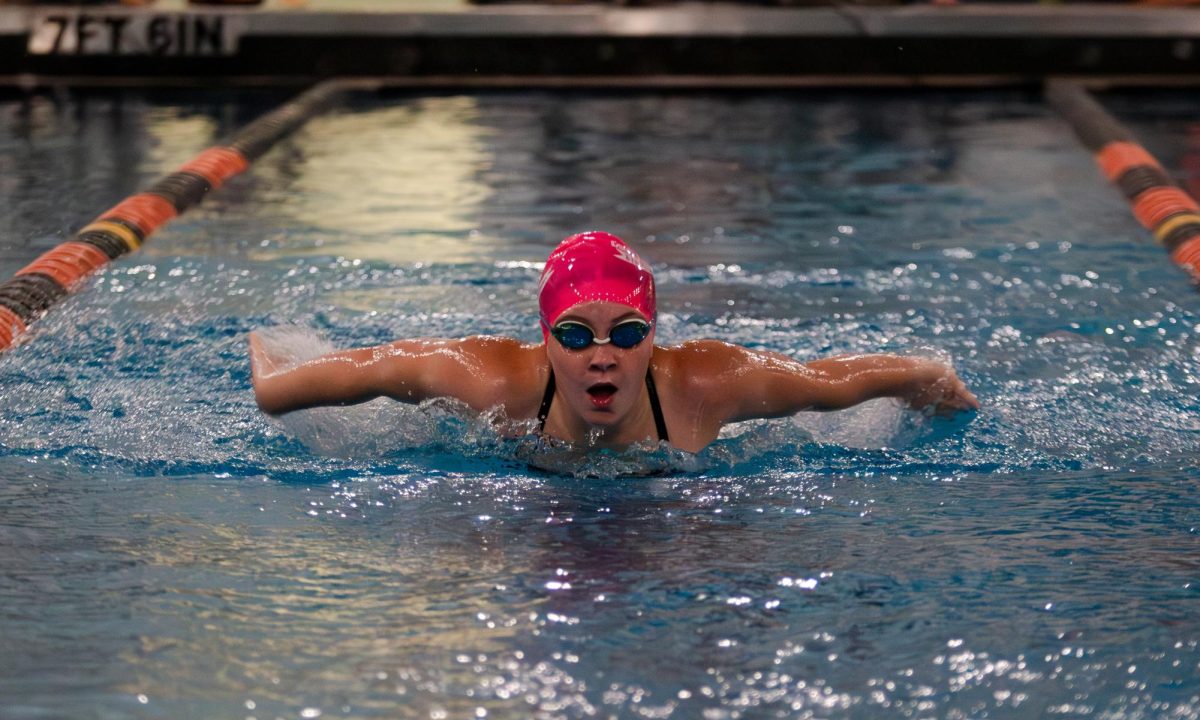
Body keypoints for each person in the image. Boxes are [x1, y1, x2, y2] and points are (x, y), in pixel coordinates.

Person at [249, 231, 979, 454]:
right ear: (546, 340)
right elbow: (380, 368)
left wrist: (925, 377)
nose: (603, 354)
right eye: (576, 335)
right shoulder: (497, 379)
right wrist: (275, 379)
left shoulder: (702, 386)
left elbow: (829, 381)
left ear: (653, 338)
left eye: (626, 333)